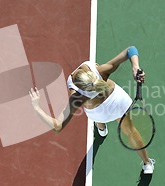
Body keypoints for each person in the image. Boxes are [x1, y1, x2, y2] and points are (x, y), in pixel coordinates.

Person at [29, 46, 155, 174]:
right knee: (130, 131)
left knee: (98, 119)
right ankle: (147, 163)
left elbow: (57, 127)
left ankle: (101, 129)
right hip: (119, 102)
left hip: (99, 114)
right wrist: (136, 67)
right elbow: (131, 50)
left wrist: (37, 108)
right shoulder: (101, 71)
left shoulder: (77, 97)